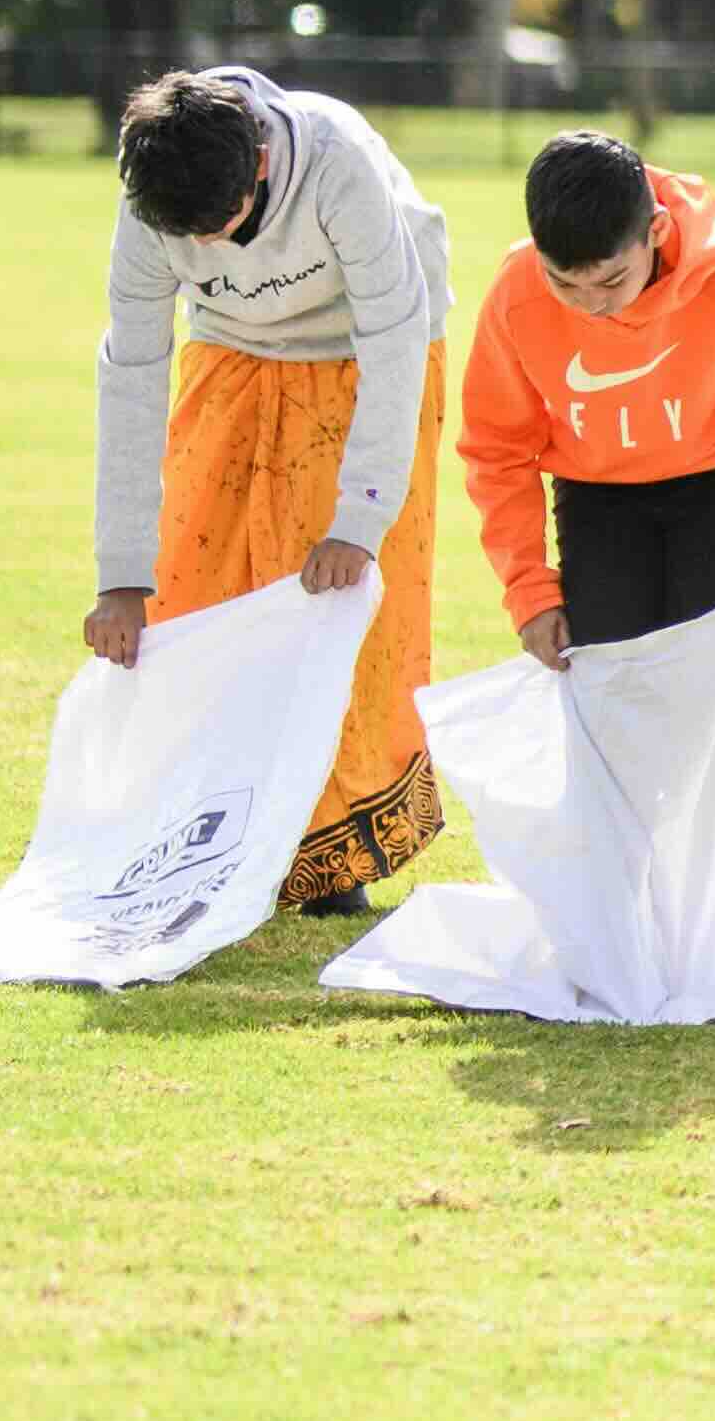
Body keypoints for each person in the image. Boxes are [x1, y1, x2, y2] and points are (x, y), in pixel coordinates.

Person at [82, 65, 458, 914]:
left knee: (334, 603)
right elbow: (132, 374)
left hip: (368, 348)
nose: (205, 250)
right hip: (234, 348)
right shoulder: (152, 203)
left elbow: (396, 337)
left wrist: (360, 519)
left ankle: (331, 858)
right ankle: (204, 836)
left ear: (257, 163)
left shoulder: (338, 163)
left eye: (218, 228)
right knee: (194, 586)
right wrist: (122, 575)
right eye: (188, 238)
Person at [455, 129, 715, 668]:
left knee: (710, 678)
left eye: (612, 281)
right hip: (597, 499)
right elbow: (497, 448)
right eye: (563, 284)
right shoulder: (515, 294)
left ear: (656, 231)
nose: (590, 305)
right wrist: (527, 589)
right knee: (610, 680)